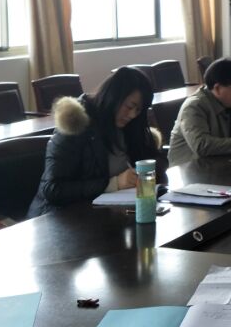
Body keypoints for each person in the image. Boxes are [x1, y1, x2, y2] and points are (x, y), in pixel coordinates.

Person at [28, 67, 164, 217]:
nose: (132, 115)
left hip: (105, 214)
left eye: (138, 110)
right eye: (130, 107)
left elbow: (158, 161)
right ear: (114, 95)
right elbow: (53, 189)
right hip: (59, 218)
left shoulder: (130, 126)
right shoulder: (75, 123)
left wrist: (148, 171)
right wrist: (114, 184)